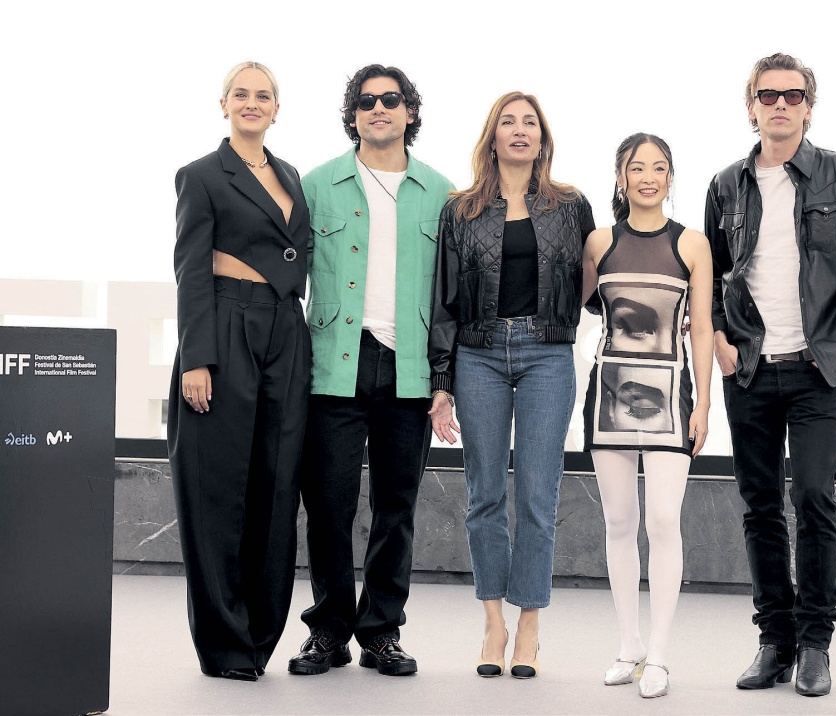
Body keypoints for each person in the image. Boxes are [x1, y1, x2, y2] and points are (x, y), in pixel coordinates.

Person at [705, 53, 836, 697]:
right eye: (768, 95)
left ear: (810, 106)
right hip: (750, 370)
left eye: (793, 94)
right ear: (750, 106)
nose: (780, 104)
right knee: (759, 505)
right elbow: (712, 274)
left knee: (812, 498)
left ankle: (814, 645)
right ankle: (774, 640)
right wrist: (721, 338)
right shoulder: (726, 185)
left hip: (816, 372)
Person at [288, 65, 453, 678]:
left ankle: (381, 631)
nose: (378, 108)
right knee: (328, 505)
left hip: (408, 366)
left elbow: (450, 299)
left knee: (396, 506)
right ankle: (328, 630)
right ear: (352, 115)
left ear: (409, 110)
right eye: (365, 101)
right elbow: (288, 276)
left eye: (390, 99)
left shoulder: (442, 194)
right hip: (335, 363)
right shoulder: (316, 186)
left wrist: (445, 381)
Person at [428, 91, 595, 680]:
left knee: (537, 496)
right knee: (485, 496)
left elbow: (594, 283)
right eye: (508, 121)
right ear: (492, 136)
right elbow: (444, 299)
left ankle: (529, 626)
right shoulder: (461, 210)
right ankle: (493, 623)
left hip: (548, 352)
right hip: (478, 354)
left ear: (542, 138)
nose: (519, 130)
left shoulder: (570, 206)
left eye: (530, 122)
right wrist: (441, 382)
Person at [167, 61, 310, 681]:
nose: (253, 103)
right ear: (223, 103)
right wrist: (196, 357)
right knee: (217, 489)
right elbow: (191, 269)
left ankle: (259, 636)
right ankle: (225, 644)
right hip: (226, 326)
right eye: (242, 94)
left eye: (264, 95)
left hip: (286, 330)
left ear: (277, 109)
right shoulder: (201, 175)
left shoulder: (291, 174)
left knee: (277, 486)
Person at [580, 133, 713, 698]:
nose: (649, 177)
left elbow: (701, 327)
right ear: (621, 177)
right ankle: (629, 645)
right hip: (609, 394)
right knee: (617, 521)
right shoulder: (599, 242)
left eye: (659, 168)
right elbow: (572, 304)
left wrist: (704, 402)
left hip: (671, 396)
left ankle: (658, 654)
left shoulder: (692, 245)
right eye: (638, 168)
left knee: (661, 520)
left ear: (670, 177)